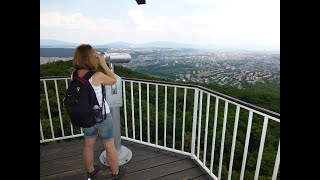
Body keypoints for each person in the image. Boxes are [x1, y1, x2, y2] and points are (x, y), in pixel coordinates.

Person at [72, 44, 126, 179]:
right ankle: (115, 173)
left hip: (85, 116)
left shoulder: (73, 75)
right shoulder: (97, 75)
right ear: (91, 57)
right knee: (109, 145)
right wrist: (103, 63)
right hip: (101, 116)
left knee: (88, 144)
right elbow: (113, 80)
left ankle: (90, 171)